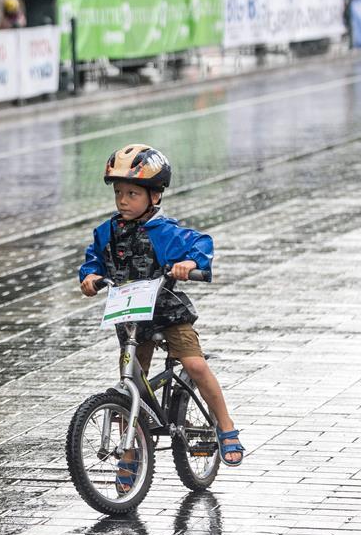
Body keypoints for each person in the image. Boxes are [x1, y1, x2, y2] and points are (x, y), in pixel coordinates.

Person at [78, 145, 244, 492]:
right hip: (131, 318)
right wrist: (90, 276)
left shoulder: (166, 231)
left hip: (167, 312)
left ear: (154, 196)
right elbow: (94, 258)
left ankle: (226, 427)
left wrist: (190, 264)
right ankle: (132, 454)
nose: (123, 200)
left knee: (195, 366)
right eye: (119, 193)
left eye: (133, 194)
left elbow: (200, 244)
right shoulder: (107, 232)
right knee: (130, 384)